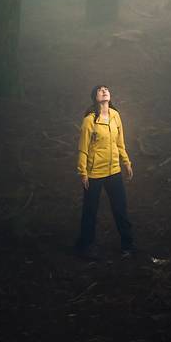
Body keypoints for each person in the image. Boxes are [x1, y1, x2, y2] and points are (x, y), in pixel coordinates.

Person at [74, 84, 135, 258]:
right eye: (100, 90)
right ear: (95, 97)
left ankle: (128, 245)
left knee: (120, 209)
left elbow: (120, 143)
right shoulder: (89, 120)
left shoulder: (116, 116)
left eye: (106, 89)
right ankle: (85, 247)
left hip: (114, 171)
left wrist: (126, 162)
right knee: (90, 212)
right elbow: (83, 148)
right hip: (94, 174)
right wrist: (83, 173)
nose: (104, 91)